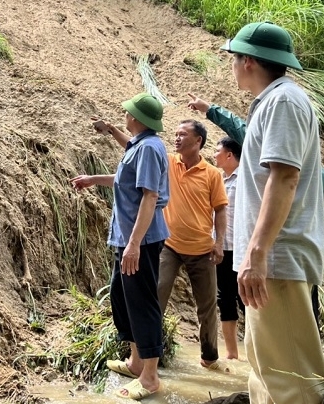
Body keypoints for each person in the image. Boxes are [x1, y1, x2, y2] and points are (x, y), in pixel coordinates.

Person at [222, 21, 324, 404]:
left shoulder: (283, 102)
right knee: (267, 374)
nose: (232, 65)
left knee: (293, 384)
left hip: (276, 259)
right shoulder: (274, 101)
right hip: (269, 260)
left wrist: (257, 253)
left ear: (248, 61)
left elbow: (284, 178)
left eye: (234, 58)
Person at [92, 116, 228, 371]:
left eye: (182, 134)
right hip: (170, 245)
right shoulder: (167, 160)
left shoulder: (211, 174)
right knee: (153, 296)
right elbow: (134, 148)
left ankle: (209, 358)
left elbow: (220, 210)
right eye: (175, 133)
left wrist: (219, 242)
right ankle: (151, 358)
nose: (176, 138)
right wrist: (112, 130)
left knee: (207, 306)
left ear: (198, 141)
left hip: (202, 249)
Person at [186, 95, 324, 331]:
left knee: (281, 323)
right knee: (304, 319)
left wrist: (210, 109)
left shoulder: (290, 166)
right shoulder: (315, 170)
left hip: (280, 253)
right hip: (304, 251)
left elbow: (245, 132)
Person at [69, 93, 169, 400]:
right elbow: (125, 177)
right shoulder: (141, 144)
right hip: (127, 238)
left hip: (141, 240)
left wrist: (135, 244)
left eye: (127, 113)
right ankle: (136, 362)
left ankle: (150, 378)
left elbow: (150, 196)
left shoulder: (149, 148)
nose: (124, 115)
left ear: (136, 118)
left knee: (142, 302)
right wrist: (93, 178)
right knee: (122, 297)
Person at [212, 136, 244, 360]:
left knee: (247, 299)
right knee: (225, 298)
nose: (214, 154)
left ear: (229, 155)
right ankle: (232, 354)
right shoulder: (218, 180)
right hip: (222, 248)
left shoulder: (245, 179)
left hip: (242, 248)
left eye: (217, 151)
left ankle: (258, 353)